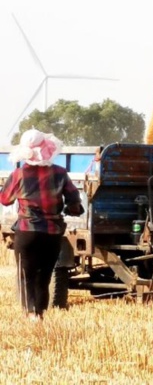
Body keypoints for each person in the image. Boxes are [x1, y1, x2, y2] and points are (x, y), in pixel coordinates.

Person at [0, 129, 84, 321]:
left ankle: (31, 314)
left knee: (25, 275)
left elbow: (4, 200)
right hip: (52, 232)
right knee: (44, 276)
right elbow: (74, 202)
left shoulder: (18, 174)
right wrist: (73, 208)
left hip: (27, 231)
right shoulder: (60, 173)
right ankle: (40, 313)